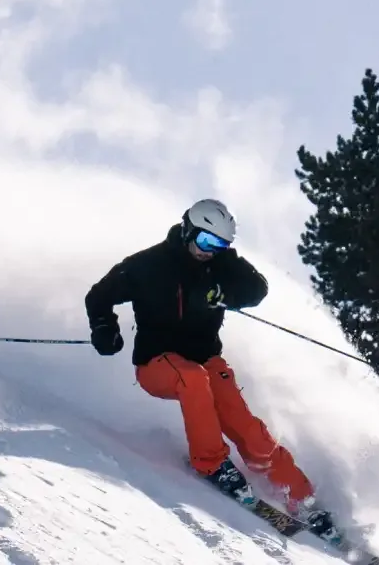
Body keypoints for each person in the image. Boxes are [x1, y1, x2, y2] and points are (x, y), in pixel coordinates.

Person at [83, 199, 336, 532]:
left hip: (204, 357)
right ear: (188, 228)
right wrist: (105, 329)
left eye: (219, 245)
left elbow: (257, 289)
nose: (210, 251)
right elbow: (98, 296)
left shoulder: (222, 264)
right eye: (206, 242)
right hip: (157, 362)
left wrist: (224, 293)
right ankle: (211, 463)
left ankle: (298, 495)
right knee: (193, 380)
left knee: (244, 423)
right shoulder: (148, 266)